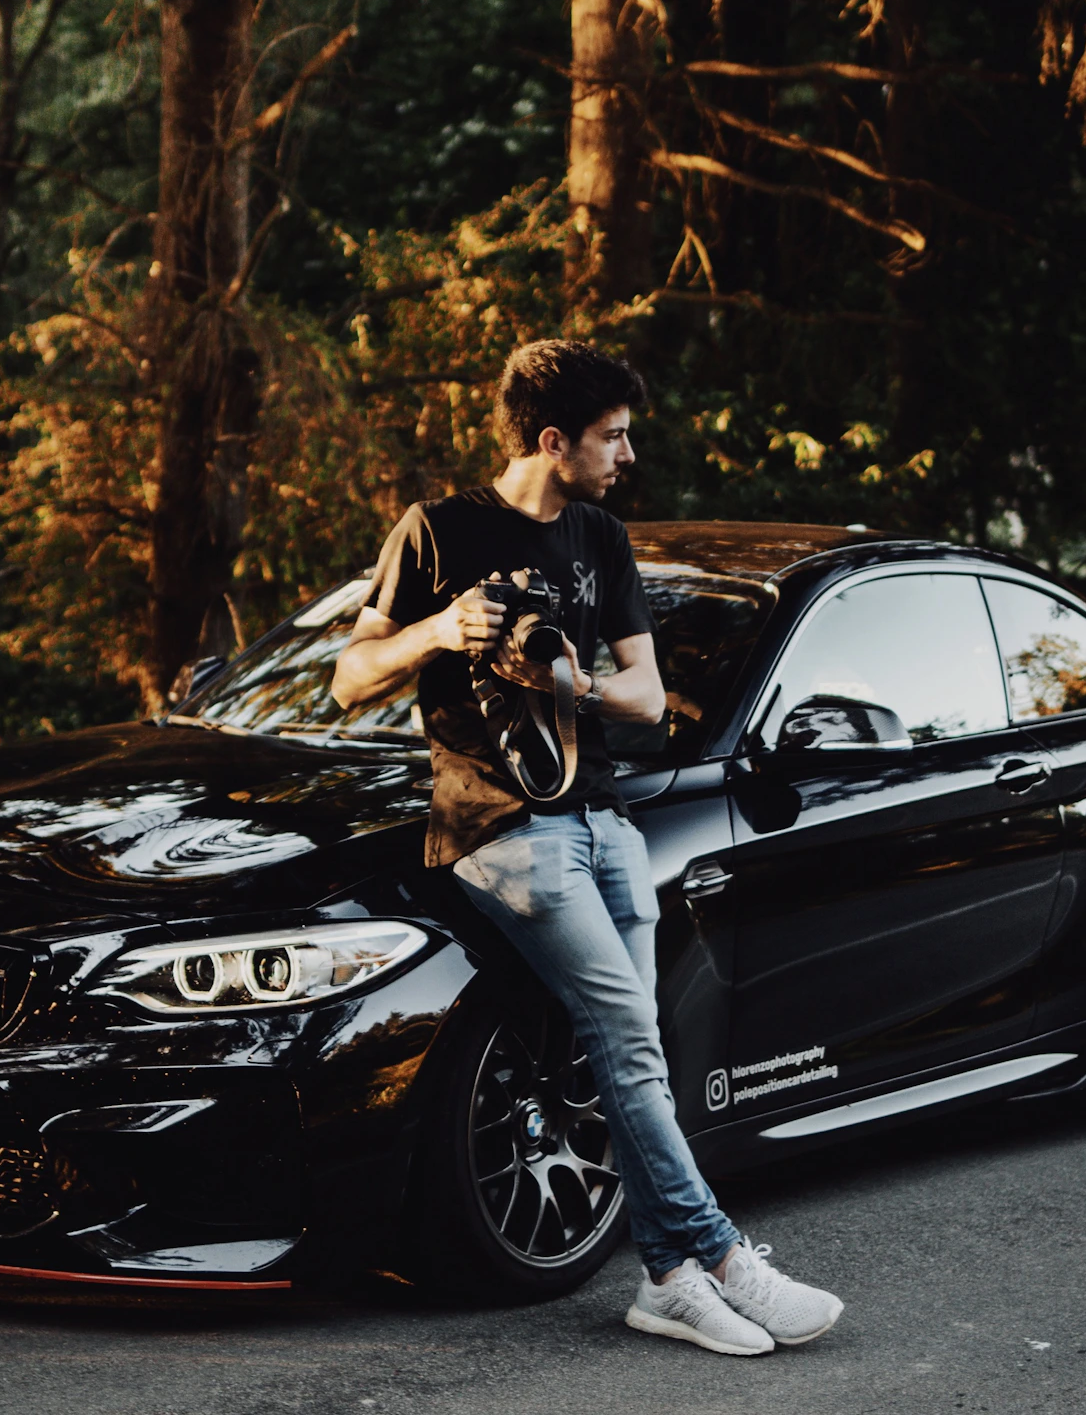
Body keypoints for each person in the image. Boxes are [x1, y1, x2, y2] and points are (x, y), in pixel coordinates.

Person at [331, 338, 843, 1358]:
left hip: (610, 825)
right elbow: (351, 678)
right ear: (553, 440)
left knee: (634, 1049)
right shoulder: (437, 530)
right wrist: (440, 634)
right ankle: (723, 1257)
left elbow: (648, 700)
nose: (627, 452)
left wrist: (565, 684)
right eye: (611, 436)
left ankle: (666, 1282)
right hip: (504, 831)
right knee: (621, 1030)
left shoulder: (600, 539)